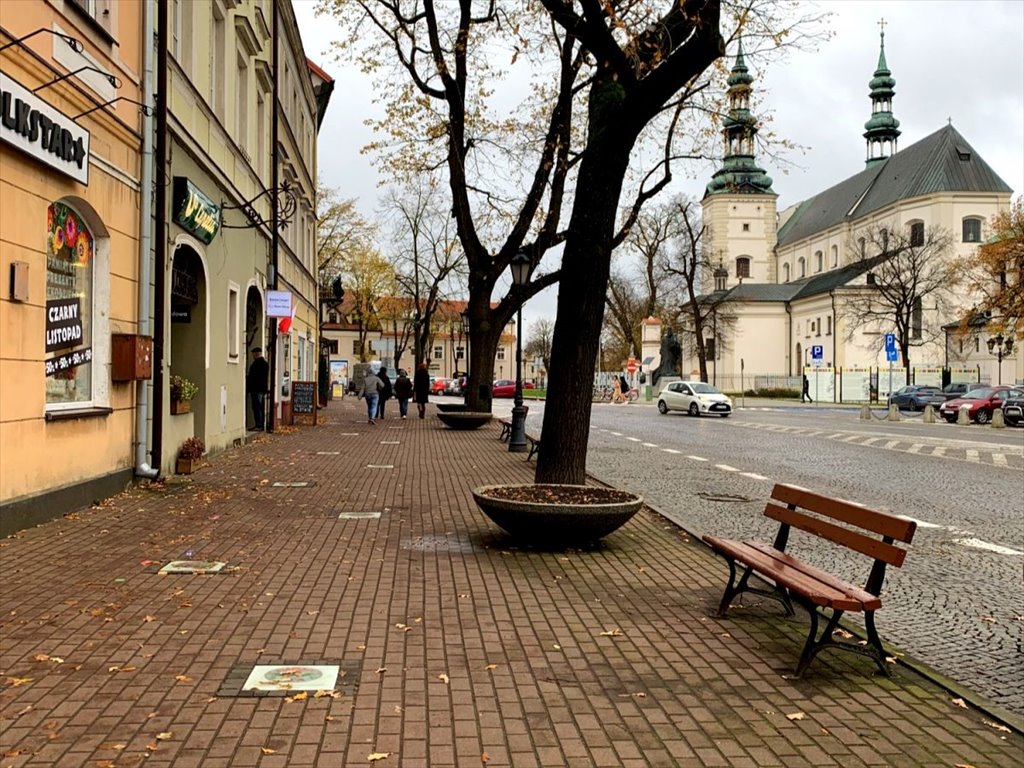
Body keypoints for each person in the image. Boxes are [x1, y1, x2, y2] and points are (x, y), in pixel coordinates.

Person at [246, 347, 269, 430]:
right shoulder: (264, 363)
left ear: (256, 354)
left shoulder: (257, 364)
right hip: (261, 389)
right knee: (260, 407)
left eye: (253, 354)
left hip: (256, 388)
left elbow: (253, 377)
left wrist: (248, 380)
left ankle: (259, 425)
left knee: (257, 407)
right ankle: (260, 424)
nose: (252, 356)